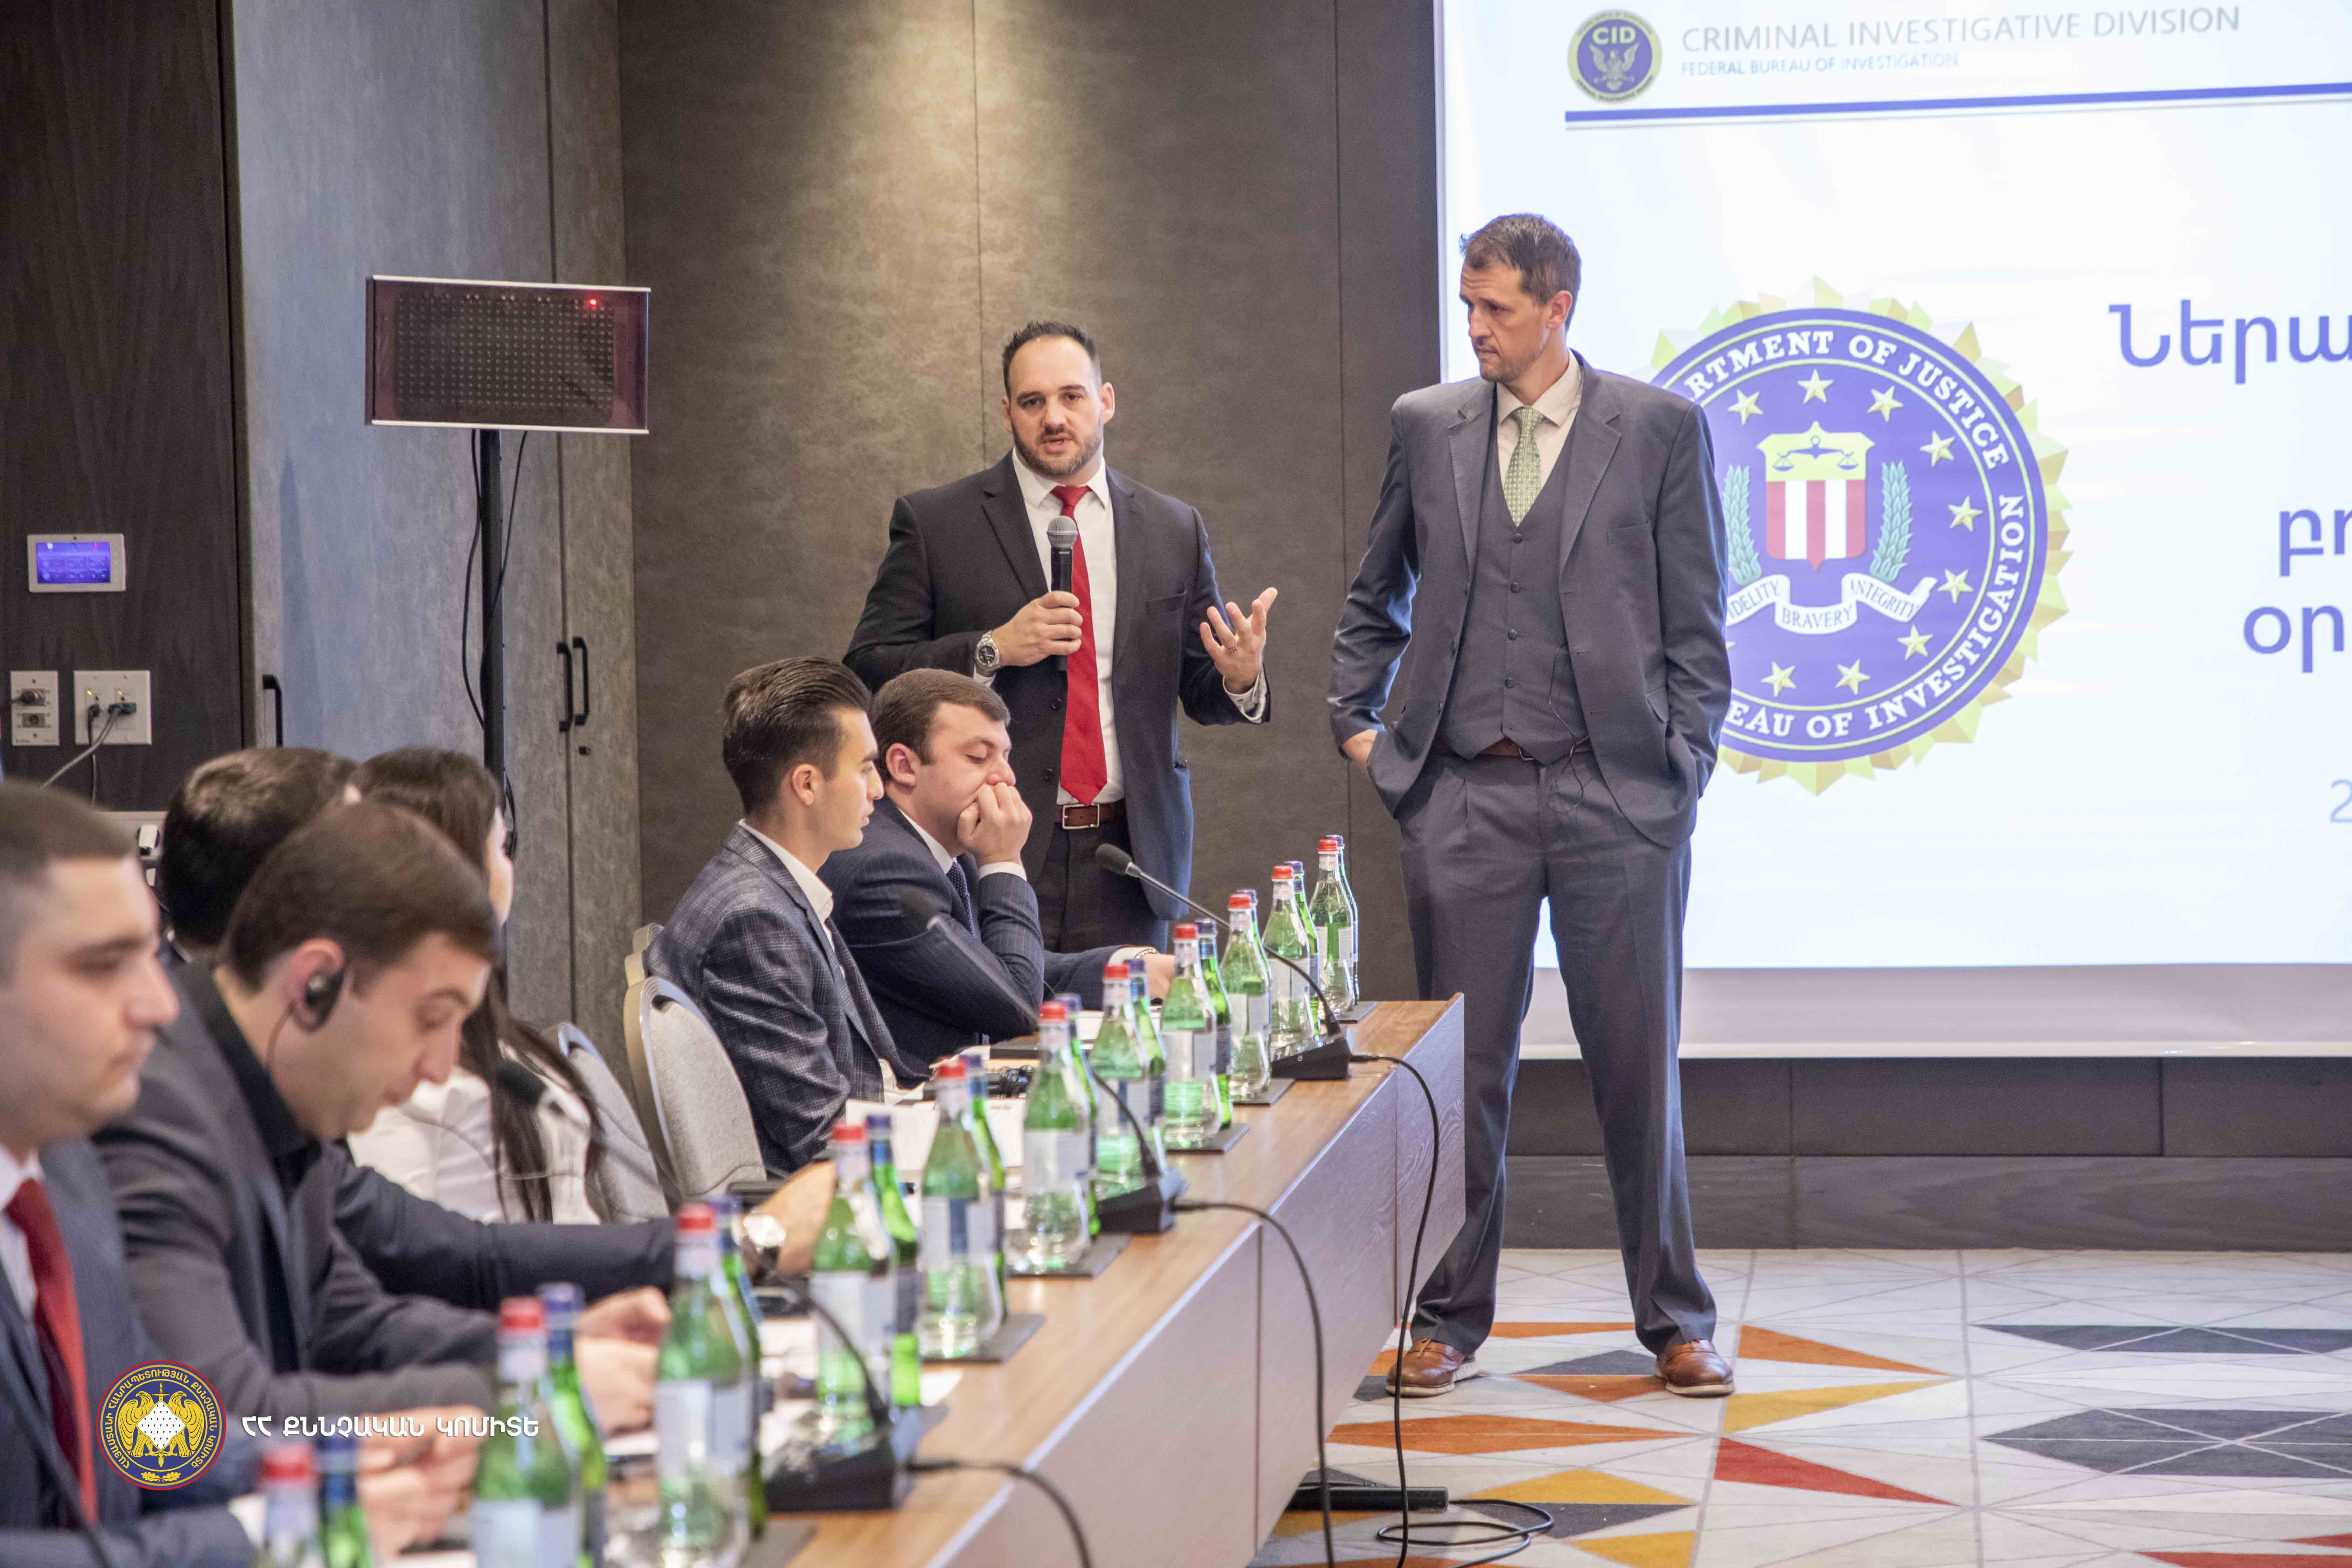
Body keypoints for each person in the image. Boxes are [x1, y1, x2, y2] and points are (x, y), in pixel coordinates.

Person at [1329, 214, 1735, 1398]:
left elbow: (1698, 622)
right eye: (1469, 305)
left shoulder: (1658, 428)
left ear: (1558, 309)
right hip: (1466, 796)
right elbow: (1376, 590)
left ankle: (1676, 1322)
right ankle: (1448, 1321)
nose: (1475, 327)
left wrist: (1682, 767)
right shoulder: (1428, 424)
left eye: (1496, 308)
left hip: (1620, 798)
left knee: (1638, 1069)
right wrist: (1361, 724)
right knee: (1465, 1077)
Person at [0, 783, 472, 1564]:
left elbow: (145, 1430)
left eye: (150, 956)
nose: (158, 1003)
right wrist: (262, 1532)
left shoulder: (67, 1177)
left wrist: (334, 1462)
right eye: (103, 966)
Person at [98, 802, 664, 1422]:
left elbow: (353, 1328)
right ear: (315, 983)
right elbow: (191, 1427)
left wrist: (551, 1352)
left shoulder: (276, 1095)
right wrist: (533, 1394)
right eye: (431, 1019)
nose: (441, 1067)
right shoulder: (156, 1118)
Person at [154, 746, 680, 1303]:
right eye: (370, 861)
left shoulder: (271, 1092)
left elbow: (370, 1311)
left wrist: (553, 1345)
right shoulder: (166, 1124)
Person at [846, 320, 1279, 951]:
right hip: (988, 843)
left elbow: (1201, 688)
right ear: (1006, 412)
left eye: (1071, 396)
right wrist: (992, 648)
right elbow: (869, 667)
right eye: (1033, 402)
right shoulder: (938, 523)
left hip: (1131, 857)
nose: (1054, 418)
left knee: (1138, 1017)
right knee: (1001, 1015)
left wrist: (1239, 678)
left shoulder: (1172, 528)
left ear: (1106, 401)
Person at [651, 658, 931, 1175]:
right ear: (807, 784)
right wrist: (951, 1136)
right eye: (865, 768)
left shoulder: (769, 888)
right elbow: (821, 1135)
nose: (878, 789)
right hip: (818, 1200)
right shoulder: (754, 920)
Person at [821, 670, 1175, 1061]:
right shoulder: (885, 869)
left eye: (1006, 756)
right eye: (978, 757)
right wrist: (1003, 860)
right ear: (905, 766)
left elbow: (993, 970)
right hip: (908, 1093)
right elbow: (1016, 1001)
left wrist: (1136, 970)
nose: (1006, 777)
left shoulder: (945, 849)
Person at [345, 748, 606, 1224]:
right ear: (459, 868)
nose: (511, 868)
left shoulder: (493, 1033)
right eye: (502, 848)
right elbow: (400, 1249)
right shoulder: (403, 1076)